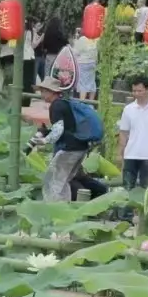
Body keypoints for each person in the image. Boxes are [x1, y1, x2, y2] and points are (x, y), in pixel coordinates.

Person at [34, 74, 93, 203]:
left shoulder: (56, 106)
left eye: (44, 91)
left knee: (53, 181)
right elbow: (67, 127)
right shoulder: (65, 104)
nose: (42, 94)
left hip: (69, 149)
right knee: (63, 181)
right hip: (80, 147)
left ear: (52, 92)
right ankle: (65, 209)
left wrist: (45, 140)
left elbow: (59, 129)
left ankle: (55, 211)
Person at [117, 75, 148, 190]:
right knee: (127, 188)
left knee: (147, 189)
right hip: (131, 154)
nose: (136, 93)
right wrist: (119, 153)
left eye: (139, 91)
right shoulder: (128, 109)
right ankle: (127, 208)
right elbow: (123, 132)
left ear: (147, 89)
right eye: (134, 91)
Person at [71, 19, 100, 100]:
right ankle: (91, 102)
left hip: (83, 62)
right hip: (93, 63)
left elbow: (76, 52)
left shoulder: (82, 39)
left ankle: (82, 102)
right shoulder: (96, 38)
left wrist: (75, 42)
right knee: (92, 82)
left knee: (83, 83)